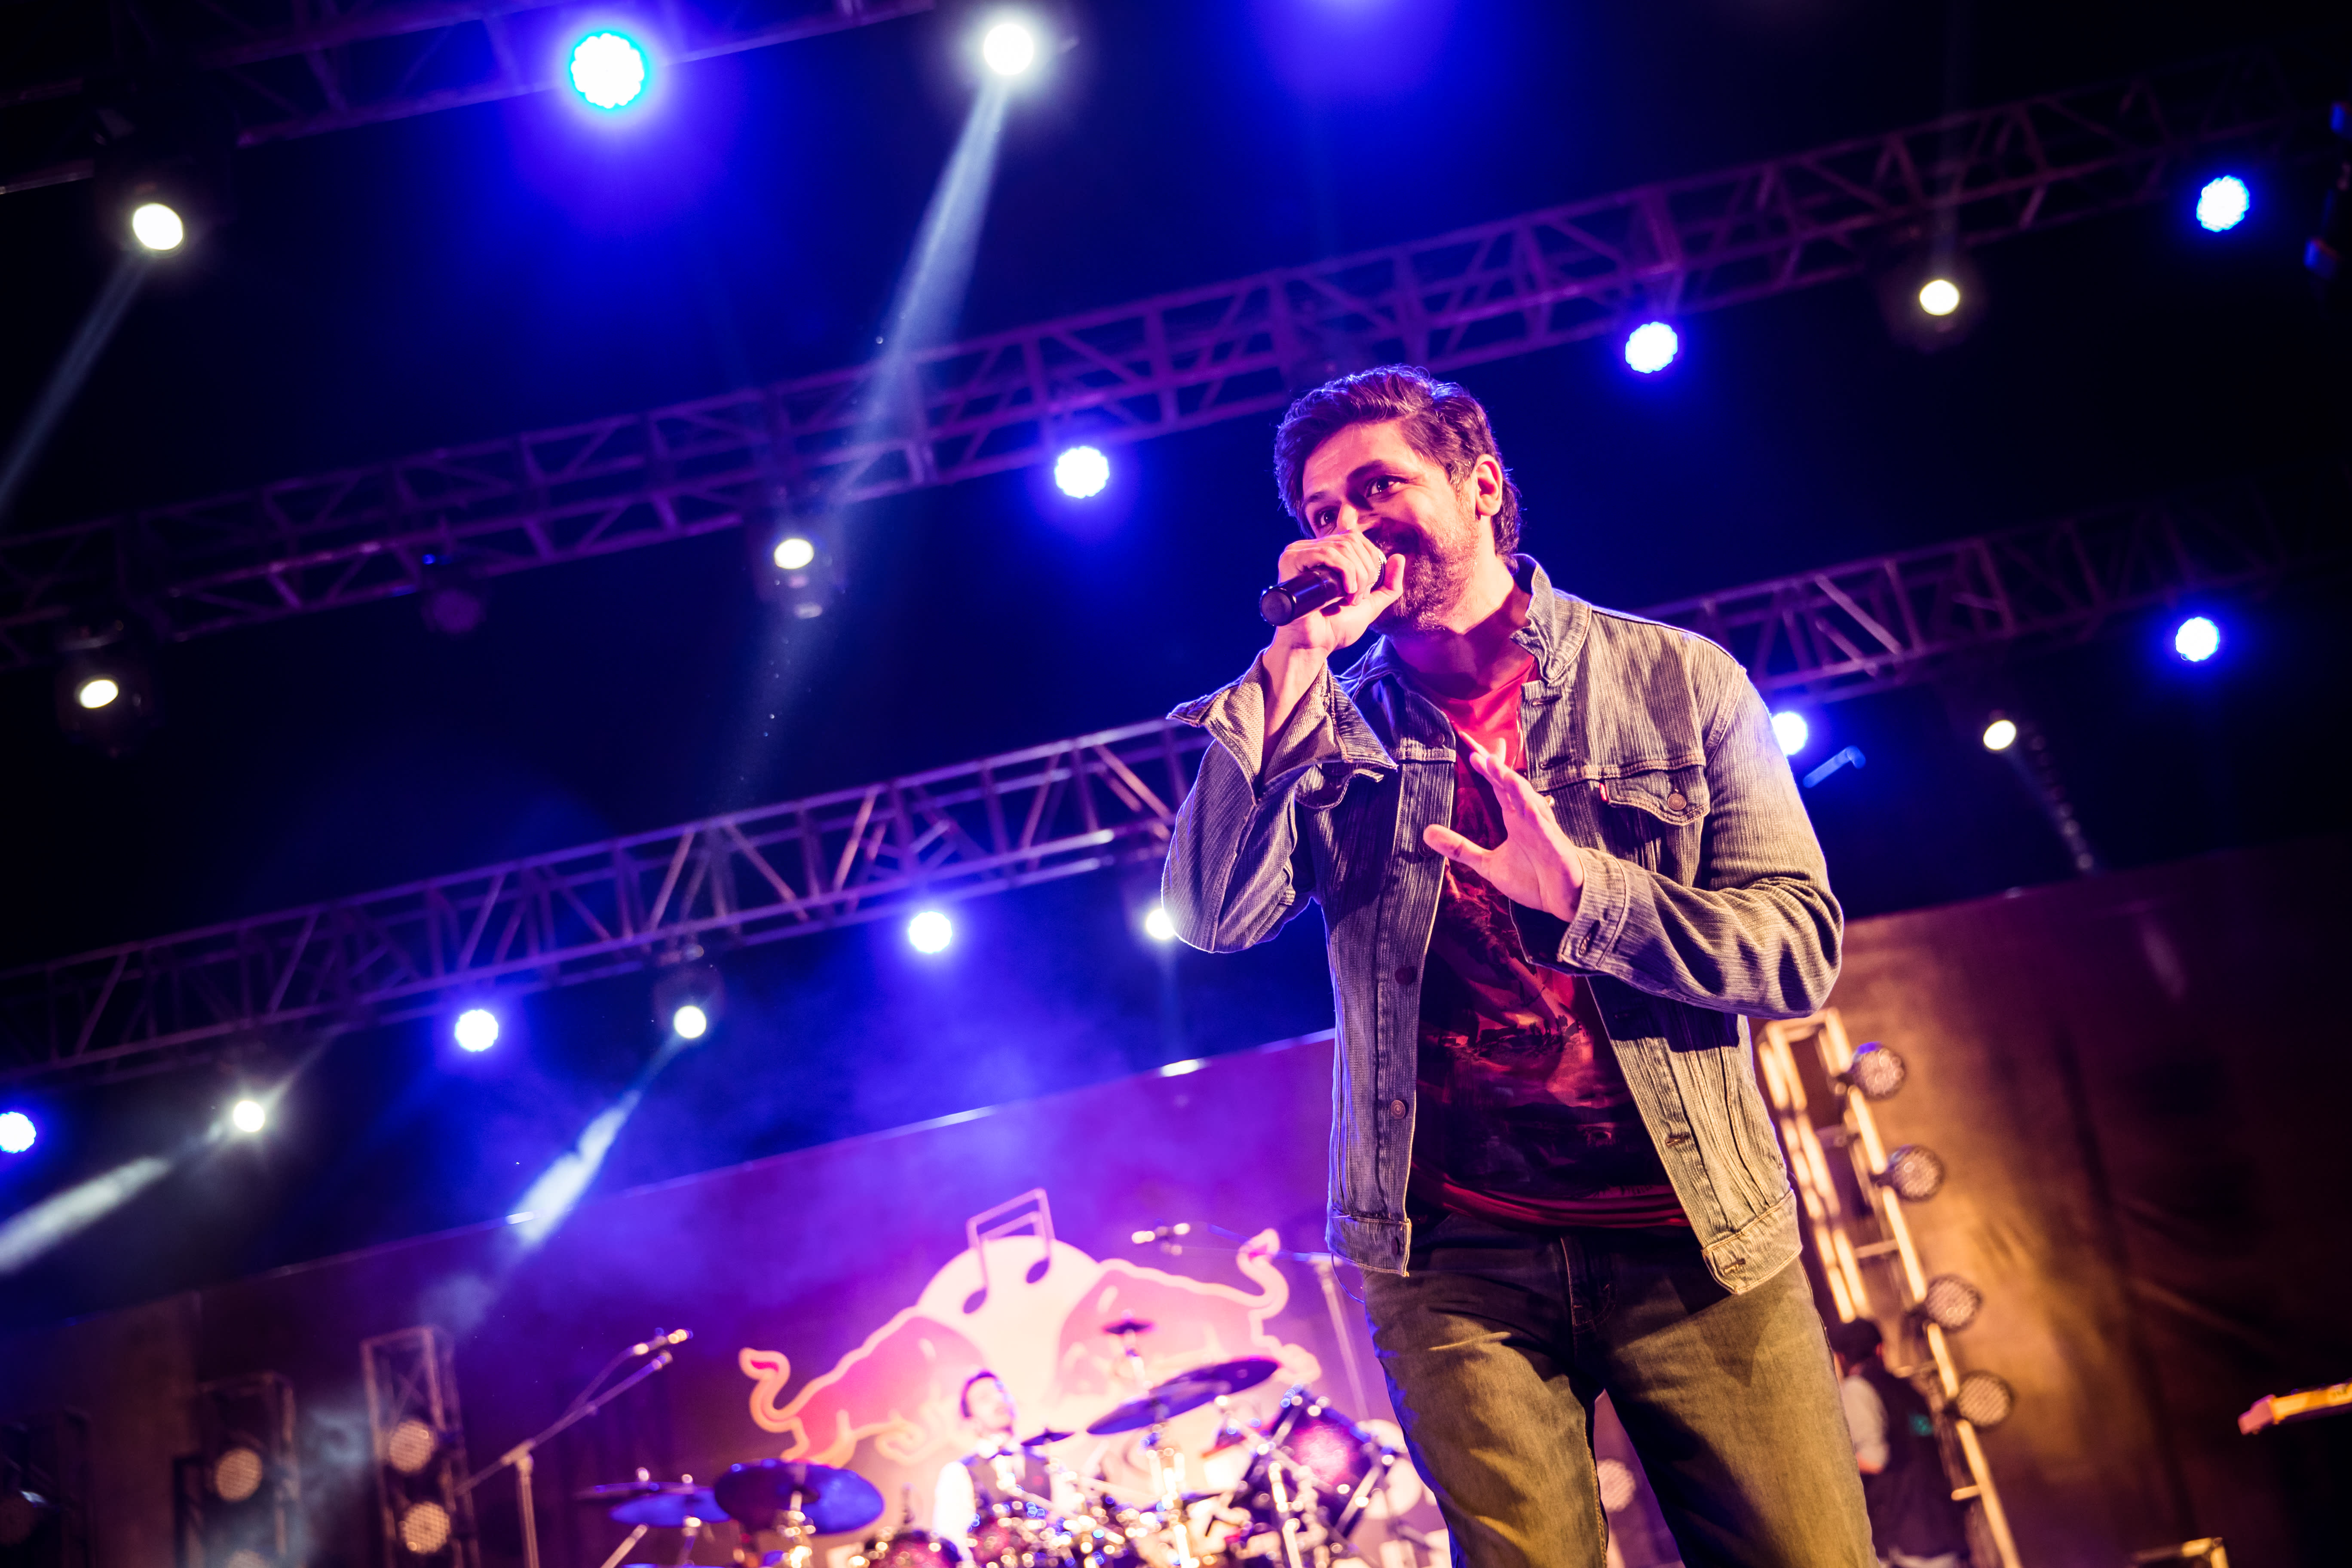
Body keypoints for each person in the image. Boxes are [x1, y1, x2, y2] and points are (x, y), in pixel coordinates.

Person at [1161, 365, 1872, 1568]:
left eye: (1378, 488)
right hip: (1452, 1264)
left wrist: (1586, 895)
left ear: (1481, 485)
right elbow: (1211, 914)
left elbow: (1796, 951)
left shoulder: (1676, 680)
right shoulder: (1328, 721)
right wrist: (1290, 668)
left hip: (1693, 1237)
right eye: (1324, 511)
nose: (1350, 527)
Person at [1828, 1319, 1972, 1568]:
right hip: (1938, 1526)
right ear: (1880, 1349)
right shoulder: (1910, 1392)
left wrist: (1829, 1465)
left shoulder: (1856, 1389)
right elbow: (1925, 1438)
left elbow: (1874, 1459)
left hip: (1905, 1536)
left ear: (1840, 1358)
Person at [931, 1371, 1068, 1543]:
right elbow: (951, 1540)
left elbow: (1070, 1519)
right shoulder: (958, 1472)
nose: (998, 1399)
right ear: (971, 1421)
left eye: (1001, 1391)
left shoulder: (1048, 1464)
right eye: (984, 1398)